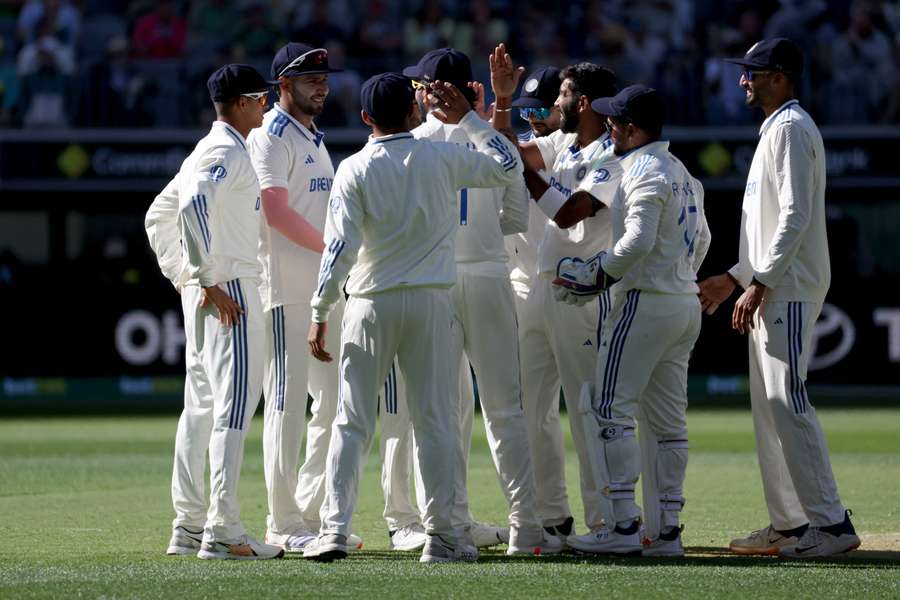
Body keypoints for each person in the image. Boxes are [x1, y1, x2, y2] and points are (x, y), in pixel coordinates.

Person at [302, 72, 523, 563]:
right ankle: (442, 537)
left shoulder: (354, 168)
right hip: (430, 304)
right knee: (436, 422)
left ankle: (334, 531)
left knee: (351, 422)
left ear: (365, 119)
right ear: (414, 112)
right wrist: (472, 117)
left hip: (369, 304)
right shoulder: (442, 156)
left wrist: (320, 310)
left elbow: (338, 248)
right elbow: (508, 165)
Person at [699, 38, 860, 558]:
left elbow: (794, 215)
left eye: (754, 72)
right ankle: (790, 525)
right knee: (770, 408)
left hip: (787, 287)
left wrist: (761, 281)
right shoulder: (777, 129)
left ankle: (831, 525)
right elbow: (768, 223)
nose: (744, 80)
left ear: (781, 76)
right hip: (774, 283)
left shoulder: (790, 128)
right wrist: (735, 277)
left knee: (787, 401)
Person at [400, 47, 561, 556]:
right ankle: (525, 527)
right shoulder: (494, 144)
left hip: (436, 280)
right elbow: (515, 217)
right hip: (490, 274)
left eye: (420, 87)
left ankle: (444, 527)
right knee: (504, 409)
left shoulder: (412, 143)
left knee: (439, 411)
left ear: (430, 92)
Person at [552, 84, 710, 557]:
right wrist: (678, 275)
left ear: (633, 129)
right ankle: (666, 533)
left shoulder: (641, 168)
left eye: (615, 122)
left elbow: (638, 239)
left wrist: (598, 274)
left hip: (644, 302)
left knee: (607, 409)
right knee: (668, 424)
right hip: (682, 303)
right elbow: (702, 239)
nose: (609, 127)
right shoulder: (680, 170)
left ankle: (622, 527)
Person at [145, 64, 283, 560]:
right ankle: (223, 529)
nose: (265, 106)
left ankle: (188, 525)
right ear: (244, 103)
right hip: (230, 291)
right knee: (232, 407)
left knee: (201, 408)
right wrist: (204, 276)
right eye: (261, 99)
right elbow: (191, 208)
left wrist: (184, 274)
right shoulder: (225, 150)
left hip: (208, 289)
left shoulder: (205, 150)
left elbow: (157, 213)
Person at [490, 44, 618, 545]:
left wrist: (526, 174)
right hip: (540, 291)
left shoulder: (612, 152)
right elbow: (507, 149)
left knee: (587, 408)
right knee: (529, 408)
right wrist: (501, 102)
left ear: (583, 101)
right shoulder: (563, 143)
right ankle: (550, 515)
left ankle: (607, 520)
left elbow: (568, 214)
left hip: (583, 295)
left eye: (563, 94)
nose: (554, 104)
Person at [246, 42, 360, 554]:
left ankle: (307, 514)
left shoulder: (312, 134)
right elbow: (276, 213)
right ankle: (282, 520)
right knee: (287, 404)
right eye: (310, 78)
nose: (322, 85)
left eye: (325, 77)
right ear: (282, 85)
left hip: (322, 288)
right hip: (287, 289)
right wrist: (333, 246)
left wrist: (334, 262)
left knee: (335, 402)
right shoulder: (271, 135)